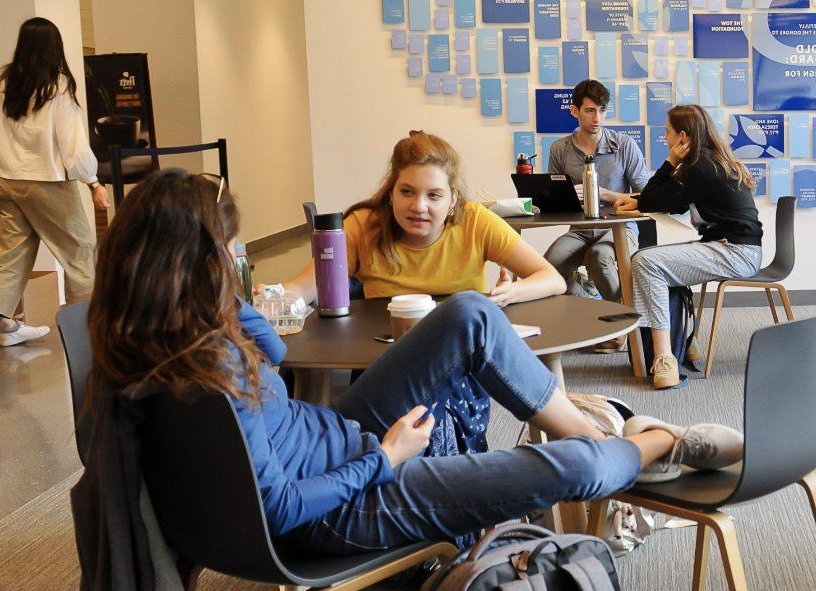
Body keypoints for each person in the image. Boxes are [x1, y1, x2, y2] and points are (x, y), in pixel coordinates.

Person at [86, 170, 744, 559]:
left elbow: (278, 354)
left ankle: (592, 434)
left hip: (333, 442)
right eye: (228, 248)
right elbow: (280, 509)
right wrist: (387, 459)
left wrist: (227, 300)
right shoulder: (209, 380)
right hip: (343, 500)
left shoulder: (157, 339)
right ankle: (652, 442)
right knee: (569, 469)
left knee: (467, 315)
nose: (237, 255)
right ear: (196, 262)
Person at [0, 17, 108, 365]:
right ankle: (85, 337)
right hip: (49, 181)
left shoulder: (0, 78)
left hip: (8, 181)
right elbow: (72, 145)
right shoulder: (57, 85)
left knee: (8, 258)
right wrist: (94, 183)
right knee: (80, 253)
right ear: (53, 47)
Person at [278, 130, 564, 305]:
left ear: (453, 200)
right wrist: (274, 296)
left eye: (434, 196)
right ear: (391, 192)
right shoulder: (363, 225)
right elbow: (303, 288)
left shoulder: (475, 221)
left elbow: (552, 279)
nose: (419, 206)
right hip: (380, 358)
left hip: (455, 355)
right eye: (407, 192)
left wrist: (509, 293)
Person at [610, 105, 763, 390]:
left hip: (736, 252)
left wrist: (668, 162)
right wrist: (639, 200)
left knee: (646, 261)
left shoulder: (701, 167)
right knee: (660, 263)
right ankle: (687, 341)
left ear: (682, 137)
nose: (665, 139)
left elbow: (657, 199)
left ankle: (665, 358)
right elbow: (673, 201)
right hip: (732, 247)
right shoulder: (708, 162)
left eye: (667, 134)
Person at [542, 79, 652, 348]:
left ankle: (620, 327)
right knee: (547, 269)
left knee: (599, 257)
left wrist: (603, 194)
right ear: (574, 111)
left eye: (602, 111)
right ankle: (596, 310)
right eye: (590, 110)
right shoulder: (560, 149)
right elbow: (552, 199)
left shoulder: (623, 145)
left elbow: (648, 197)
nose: (597, 118)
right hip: (579, 230)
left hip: (619, 228)